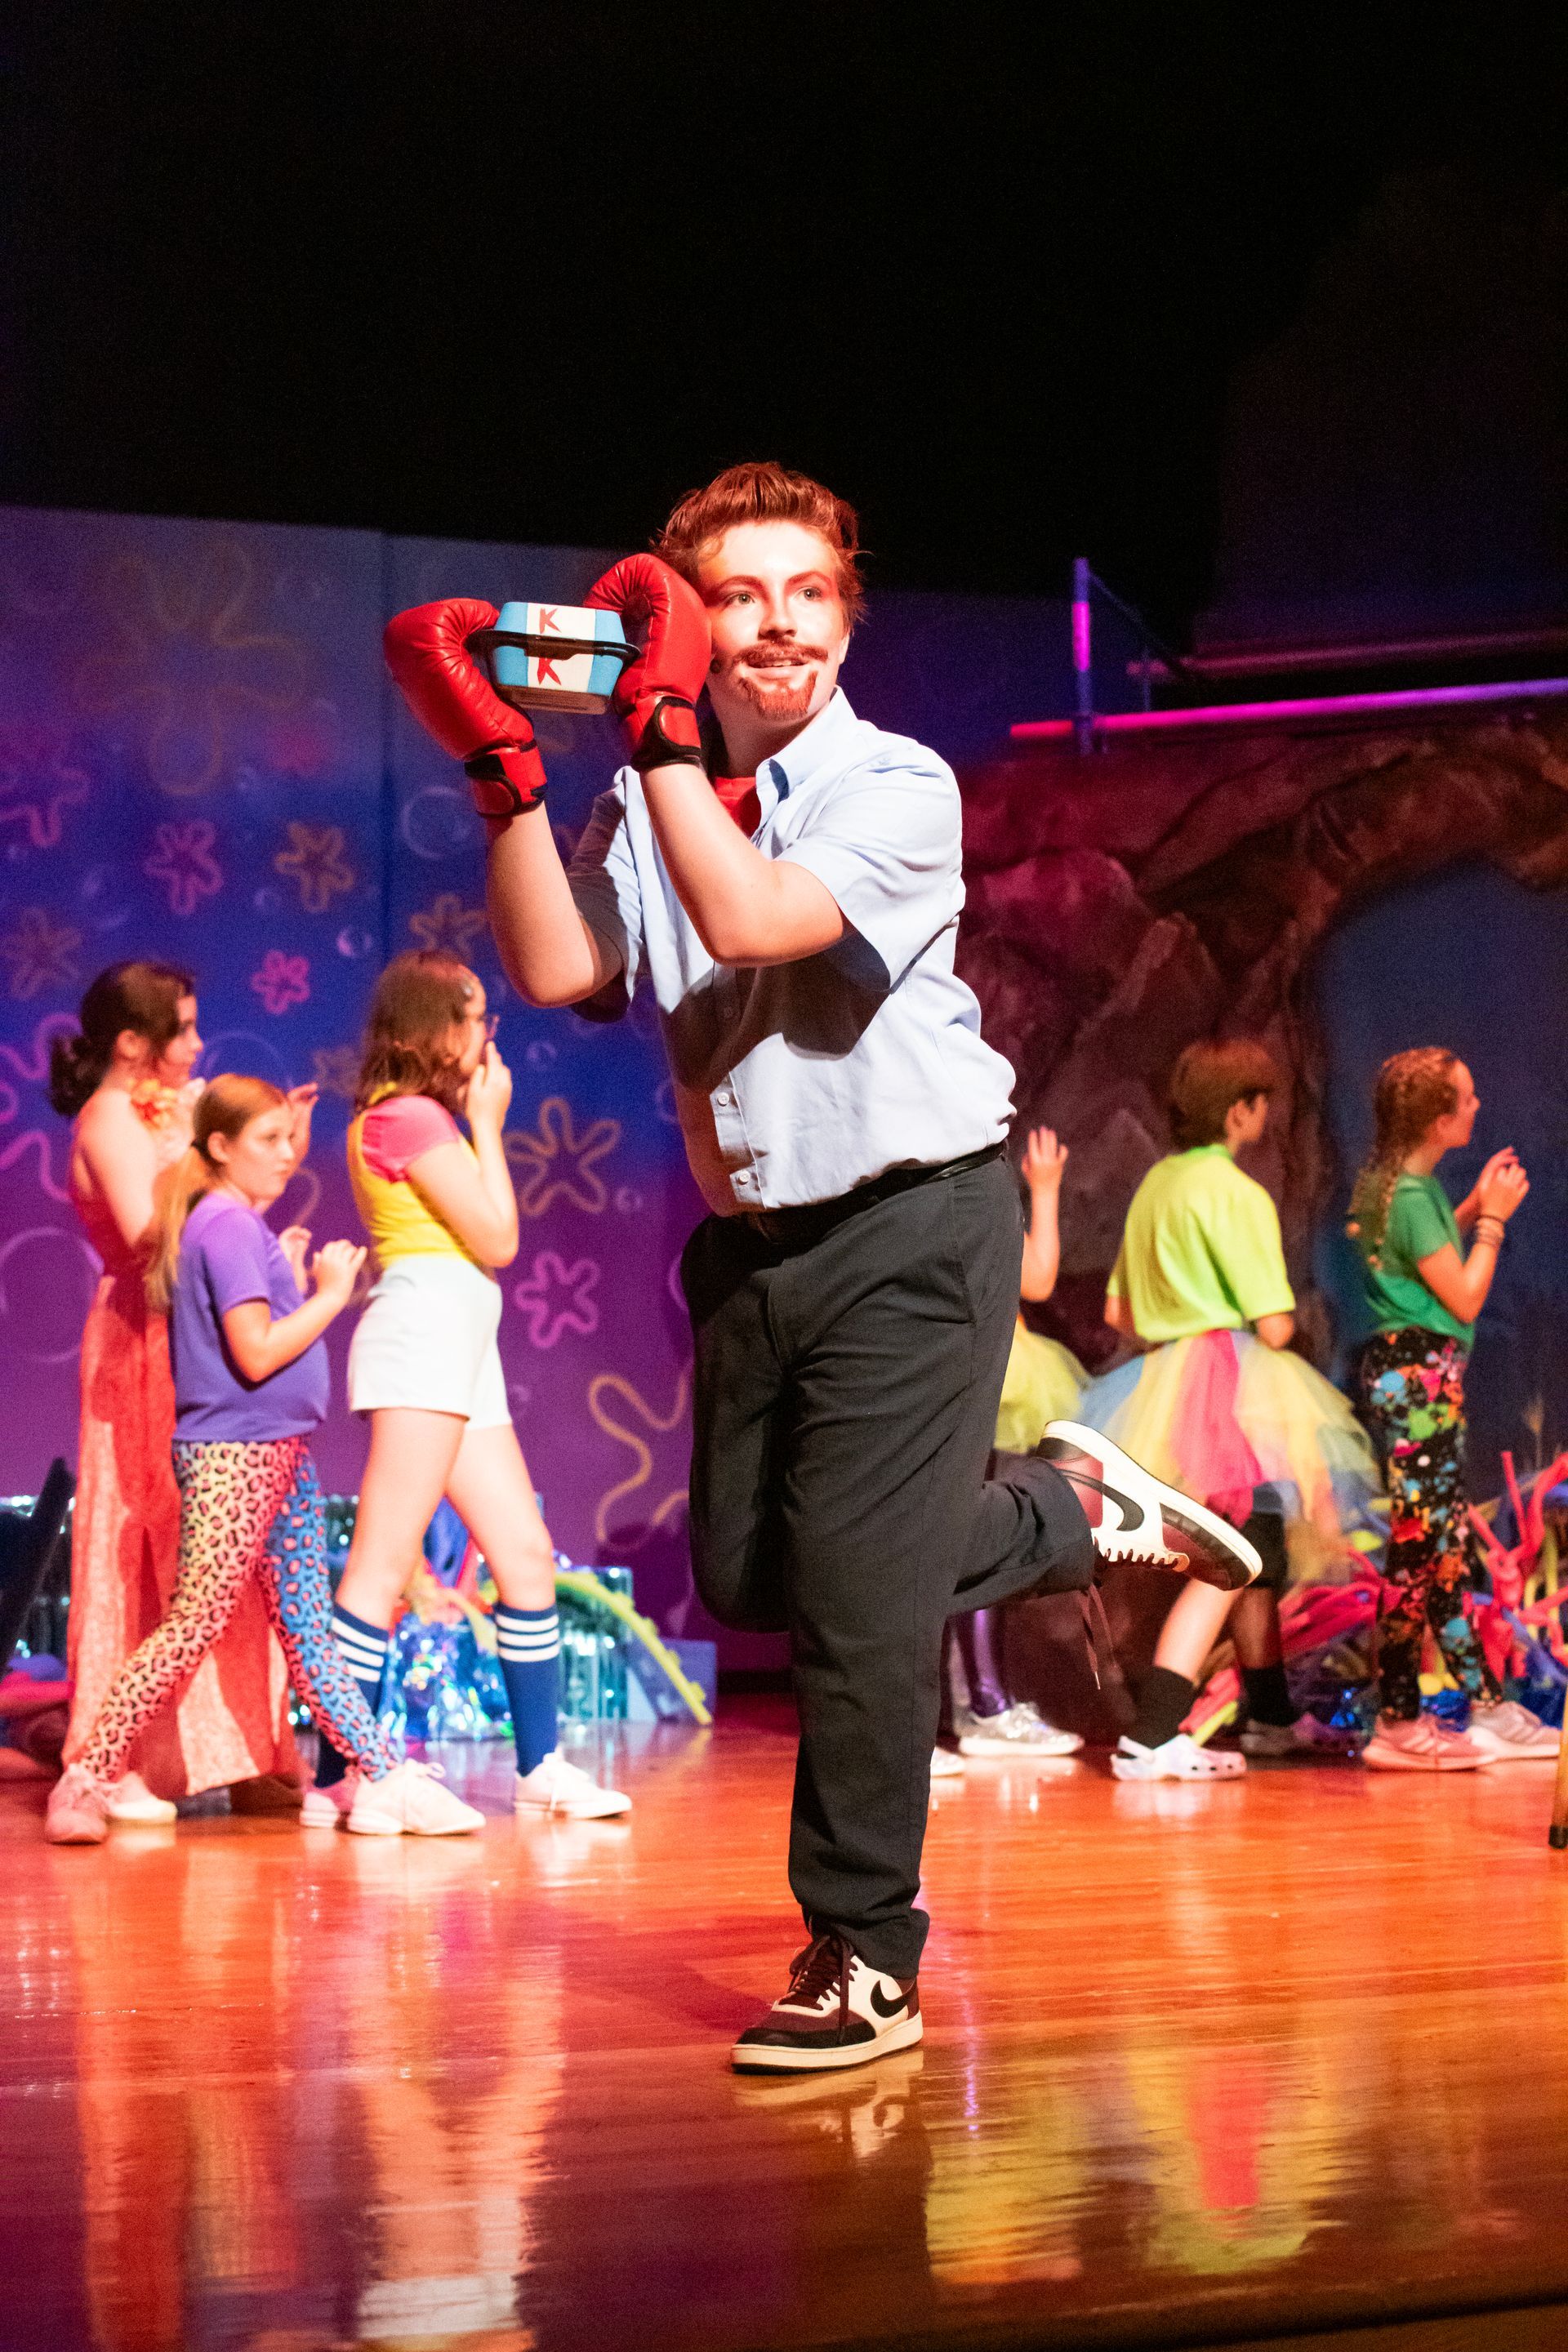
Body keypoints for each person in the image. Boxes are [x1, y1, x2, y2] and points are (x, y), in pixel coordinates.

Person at [382, 458, 1258, 2073]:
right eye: (737, 596)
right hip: (758, 1249)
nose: (778, 624)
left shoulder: (894, 785)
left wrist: (658, 732)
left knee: (859, 1612)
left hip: (917, 1222)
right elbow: (565, 964)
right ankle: (1064, 1513)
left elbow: (756, 916)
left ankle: (863, 1954)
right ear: (690, 623)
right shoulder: (649, 791)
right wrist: (503, 780)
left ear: (848, 617)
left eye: (808, 593)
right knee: (754, 1580)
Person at [44, 1076, 482, 1842]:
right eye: (269, 1141)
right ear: (220, 1147)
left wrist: (289, 1275)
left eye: (288, 1139)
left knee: (308, 1631)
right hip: (235, 1458)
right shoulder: (224, 1226)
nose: (287, 1155)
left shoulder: (231, 1224)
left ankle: (383, 1777)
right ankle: (87, 1779)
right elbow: (254, 1354)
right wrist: (330, 1294)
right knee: (193, 1623)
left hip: (277, 1453)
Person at [310, 951, 629, 1827]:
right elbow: (497, 1237)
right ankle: (344, 1776)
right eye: (474, 1012)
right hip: (423, 1338)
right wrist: (489, 1123)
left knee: (523, 1554)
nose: (487, 1030)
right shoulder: (408, 1117)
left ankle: (540, 1767)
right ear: (433, 1026)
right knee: (380, 1565)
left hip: (459, 1346)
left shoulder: (411, 1116)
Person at [1079, 1040, 1383, 1781]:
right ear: (1240, 1111)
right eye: (1260, 1103)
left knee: (1256, 1556)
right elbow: (1273, 1325)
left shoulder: (1156, 1185)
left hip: (1166, 1382)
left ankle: (1270, 1717)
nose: (1266, 1116)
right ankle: (1152, 1735)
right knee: (1228, 1560)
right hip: (1226, 1383)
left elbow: (1121, 1312)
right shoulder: (1237, 1193)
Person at [48, 961, 302, 1818]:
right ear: (132, 1043)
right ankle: (124, 1763)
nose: (196, 1044)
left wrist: (250, 1146)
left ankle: (240, 1751)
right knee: (151, 1539)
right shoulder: (112, 1115)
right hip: (146, 1338)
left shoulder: (167, 1109)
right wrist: (219, 1166)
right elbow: (145, 1233)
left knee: (222, 1544)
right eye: (181, 1030)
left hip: (190, 1330)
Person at [1348, 1048, 1555, 1766]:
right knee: (1419, 1553)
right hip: (1419, 1383)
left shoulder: (1395, 1184)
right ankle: (1399, 1722)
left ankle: (1485, 1704)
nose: (1476, 1107)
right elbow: (1463, 1296)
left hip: (1418, 1380)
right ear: (1438, 1121)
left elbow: (1422, 1255)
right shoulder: (1409, 1196)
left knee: (1439, 1552)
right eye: (1465, 1100)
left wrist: (1469, 1208)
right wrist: (1492, 1222)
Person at [936, 1126, 1085, 1771]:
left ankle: (972, 1706)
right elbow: (1039, 1278)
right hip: (973, 1368)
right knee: (966, 1542)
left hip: (964, 1366)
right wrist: (1044, 1190)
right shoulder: (964, 1189)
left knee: (957, 1540)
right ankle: (983, 1707)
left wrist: (1042, 1188)